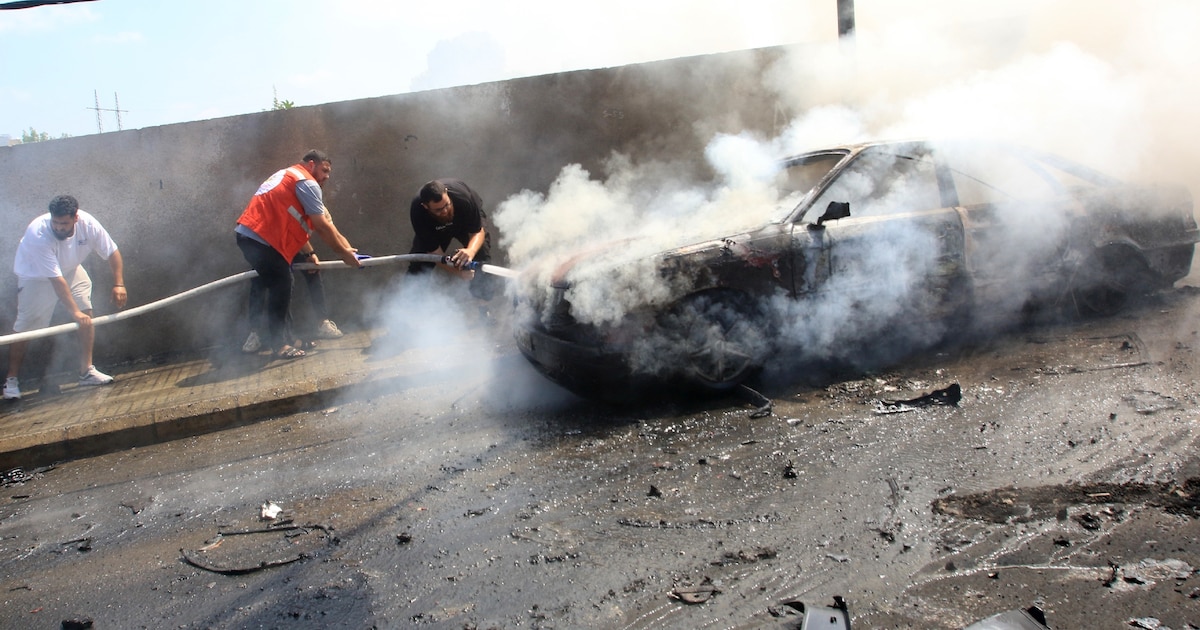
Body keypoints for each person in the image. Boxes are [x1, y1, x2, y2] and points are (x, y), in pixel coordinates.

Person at [235, 149, 361, 359]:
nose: (327, 177)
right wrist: (342, 254)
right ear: (311, 165)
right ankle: (279, 344)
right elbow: (321, 226)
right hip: (259, 238)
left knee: (282, 282)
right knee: (281, 283)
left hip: (258, 237)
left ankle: (289, 339)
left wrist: (348, 251)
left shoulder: (290, 177)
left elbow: (329, 226)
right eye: (324, 170)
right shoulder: (307, 182)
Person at [4, 195, 126, 400]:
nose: (59, 227)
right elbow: (56, 280)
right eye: (56, 223)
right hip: (37, 277)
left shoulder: (88, 224)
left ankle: (86, 371)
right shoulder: (38, 233)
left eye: (64, 223)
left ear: (75, 218)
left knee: (86, 310)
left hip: (69, 269)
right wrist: (74, 312)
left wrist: (118, 284)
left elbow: (112, 252)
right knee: (26, 327)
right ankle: (11, 380)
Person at [406, 179, 499, 301]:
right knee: (419, 265)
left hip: (465, 223)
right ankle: (409, 305)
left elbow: (477, 231)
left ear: (447, 193)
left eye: (447, 205)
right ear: (425, 206)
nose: (444, 211)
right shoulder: (418, 212)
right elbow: (434, 253)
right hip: (435, 230)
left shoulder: (463, 199)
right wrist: (458, 273)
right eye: (438, 210)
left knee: (480, 256)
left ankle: (484, 305)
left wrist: (470, 251)